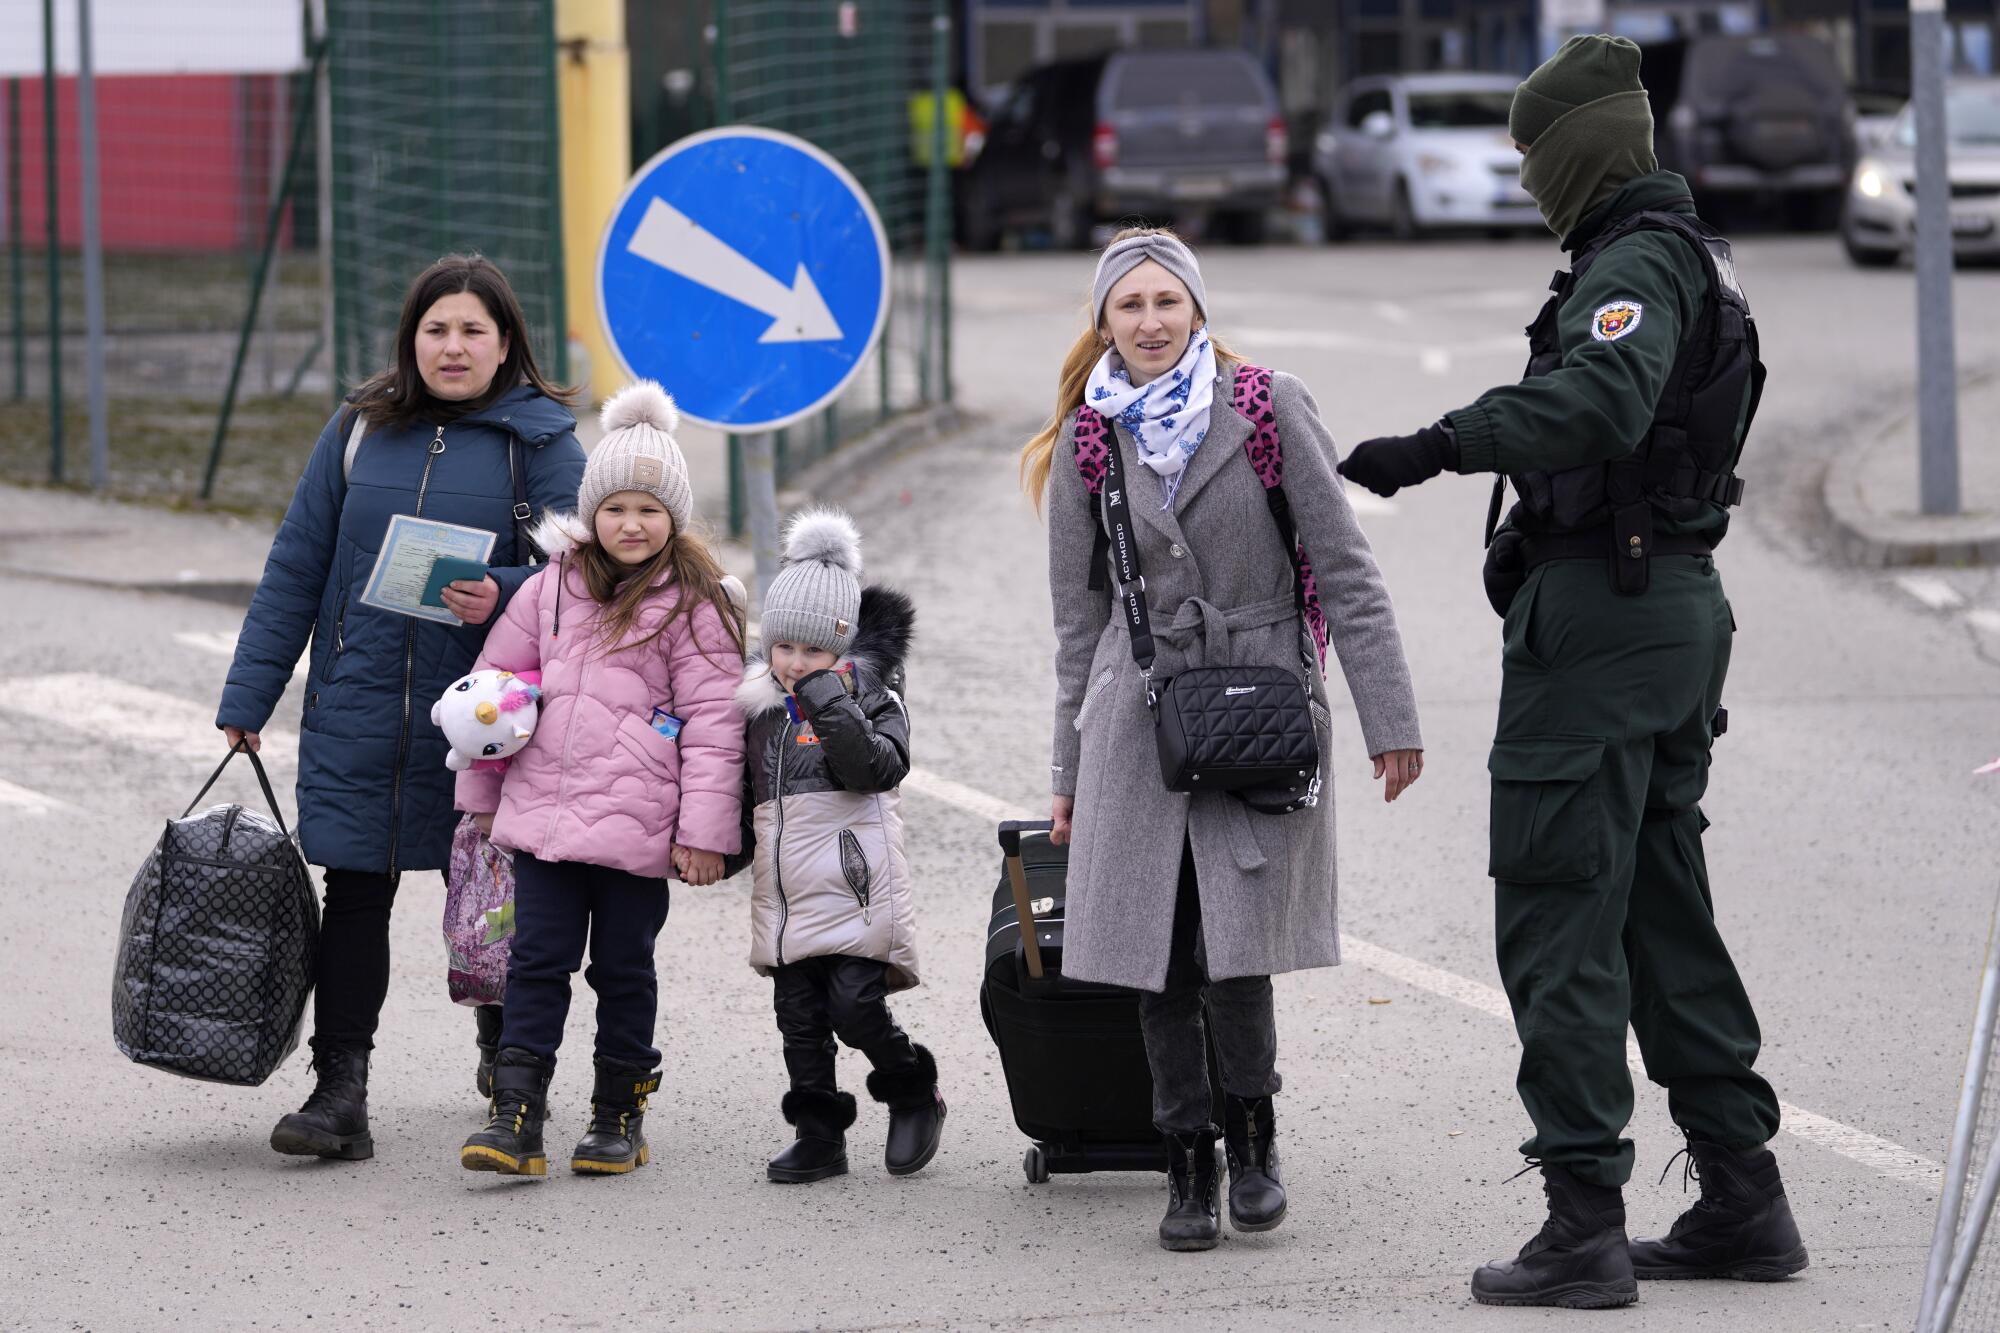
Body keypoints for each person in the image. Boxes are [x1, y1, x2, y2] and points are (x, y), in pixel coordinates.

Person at [1335, 34, 1806, 1310]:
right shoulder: (1677, 253)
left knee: (1557, 914)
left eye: (1536, 154)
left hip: (1606, 623)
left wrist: (1439, 443)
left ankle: (1580, 1224)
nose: (1530, 177)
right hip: (1662, 610)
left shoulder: (1637, 263)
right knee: (1659, 910)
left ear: (1583, 148)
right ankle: (1743, 1200)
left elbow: (1601, 400)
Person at [1022, 227, 1424, 1252]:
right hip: (1137, 712)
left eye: (1167, 302)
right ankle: (1184, 1160)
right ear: (1103, 322)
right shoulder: (1085, 436)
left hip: (1256, 702)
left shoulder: (1262, 405)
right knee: (1155, 948)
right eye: (1129, 306)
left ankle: (1253, 1142)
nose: (1150, 321)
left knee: (1232, 942)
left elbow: (1343, 565)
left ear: (1195, 310)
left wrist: (1388, 720)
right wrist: (1064, 773)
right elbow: (1077, 625)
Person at [218, 254, 586, 1162]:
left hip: (487, 717)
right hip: (361, 702)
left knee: (493, 897)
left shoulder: (542, 443)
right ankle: (339, 1090)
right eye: (435, 330)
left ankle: (511, 1073)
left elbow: (583, 581)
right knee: (354, 894)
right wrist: (248, 693)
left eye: (472, 331)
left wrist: (500, 588)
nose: (452, 347)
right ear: (409, 339)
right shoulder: (358, 429)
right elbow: (297, 561)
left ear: (506, 344)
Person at [454, 381, 746, 1178]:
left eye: (650, 510)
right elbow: (494, 696)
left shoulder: (696, 607)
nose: (631, 524)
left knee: (622, 967)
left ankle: (618, 1109)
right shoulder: (550, 589)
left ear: (673, 520)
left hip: (638, 830)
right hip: (544, 823)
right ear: (591, 513)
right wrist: (482, 800)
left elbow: (718, 729)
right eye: (615, 508)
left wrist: (703, 835)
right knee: (536, 961)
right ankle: (515, 1112)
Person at [730, 508, 944, 1184]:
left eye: (814, 652)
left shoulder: (874, 694)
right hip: (788, 893)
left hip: (856, 882)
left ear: (843, 649)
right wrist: (712, 847)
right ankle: (818, 1132)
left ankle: (912, 1088)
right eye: (784, 647)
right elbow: (745, 795)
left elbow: (876, 768)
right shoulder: (759, 708)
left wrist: (829, 696)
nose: (795, 663)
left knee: (854, 1004)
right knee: (797, 1016)